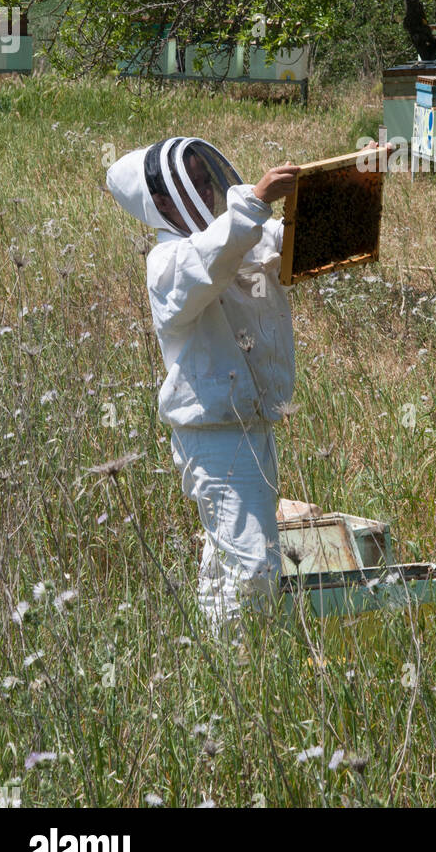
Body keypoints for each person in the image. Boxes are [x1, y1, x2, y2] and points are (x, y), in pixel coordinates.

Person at [105, 136, 308, 637]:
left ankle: (217, 660)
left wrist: (326, 192)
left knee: (228, 555)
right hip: (214, 435)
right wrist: (254, 200)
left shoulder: (235, 237)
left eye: (207, 180)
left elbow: (274, 241)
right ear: (162, 202)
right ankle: (244, 670)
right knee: (254, 565)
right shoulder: (169, 264)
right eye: (193, 184)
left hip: (250, 420)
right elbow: (211, 260)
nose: (208, 191)